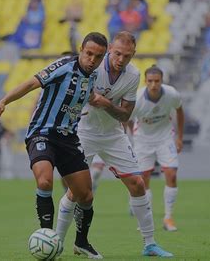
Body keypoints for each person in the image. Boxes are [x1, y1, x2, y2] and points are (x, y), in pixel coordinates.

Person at [0, 32, 108, 259]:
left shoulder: (93, 78)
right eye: (89, 53)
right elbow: (31, 83)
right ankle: (47, 235)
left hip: (69, 139)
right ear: (81, 51)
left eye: (98, 56)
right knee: (44, 180)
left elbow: (90, 98)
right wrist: (3, 101)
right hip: (42, 133)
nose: (92, 59)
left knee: (86, 196)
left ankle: (81, 243)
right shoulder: (64, 66)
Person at [55, 31, 173, 258]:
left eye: (127, 56)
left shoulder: (133, 75)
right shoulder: (92, 66)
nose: (121, 59)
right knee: (75, 192)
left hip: (112, 135)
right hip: (82, 133)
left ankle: (149, 244)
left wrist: (104, 103)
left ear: (133, 54)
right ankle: (57, 241)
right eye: (117, 53)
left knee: (137, 184)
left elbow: (125, 115)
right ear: (109, 49)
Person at [128, 65, 184, 232]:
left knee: (171, 174)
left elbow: (180, 112)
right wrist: (133, 137)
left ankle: (168, 217)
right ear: (145, 81)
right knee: (143, 180)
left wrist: (179, 137)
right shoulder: (137, 98)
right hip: (143, 140)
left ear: (162, 81)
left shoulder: (171, 94)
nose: (153, 84)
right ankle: (146, 218)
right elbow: (127, 119)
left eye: (157, 81)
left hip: (165, 137)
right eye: (150, 81)